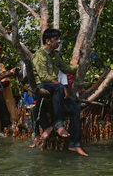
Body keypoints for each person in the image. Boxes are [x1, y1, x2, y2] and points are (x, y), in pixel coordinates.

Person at [31, 28, 87, 156]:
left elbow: (66, 68)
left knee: (76, 109)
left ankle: (74, 144)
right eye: (56, 39)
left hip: (54, 88)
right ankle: (58, 124)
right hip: (41, 87)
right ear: (48, 41)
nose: (59, 41)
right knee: (59, 87)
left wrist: (81, 66)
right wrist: (61, 86)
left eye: (58, 38)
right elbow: (44, 77)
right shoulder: (40, 55)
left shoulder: (55, 55)